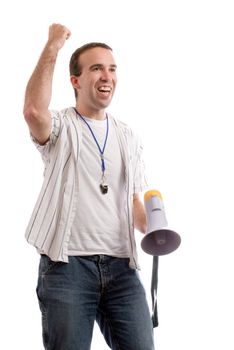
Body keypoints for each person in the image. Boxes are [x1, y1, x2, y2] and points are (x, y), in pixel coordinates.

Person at [23, 23, 155, 350]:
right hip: (67, 268)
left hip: (122, 270)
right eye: (96, 68)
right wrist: (53, 45)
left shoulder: (128, 137)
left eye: (112, 69)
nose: (107, 76)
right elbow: (33, 111)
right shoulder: (61, 126)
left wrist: (154, 224)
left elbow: (135, 204)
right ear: (76, 81)